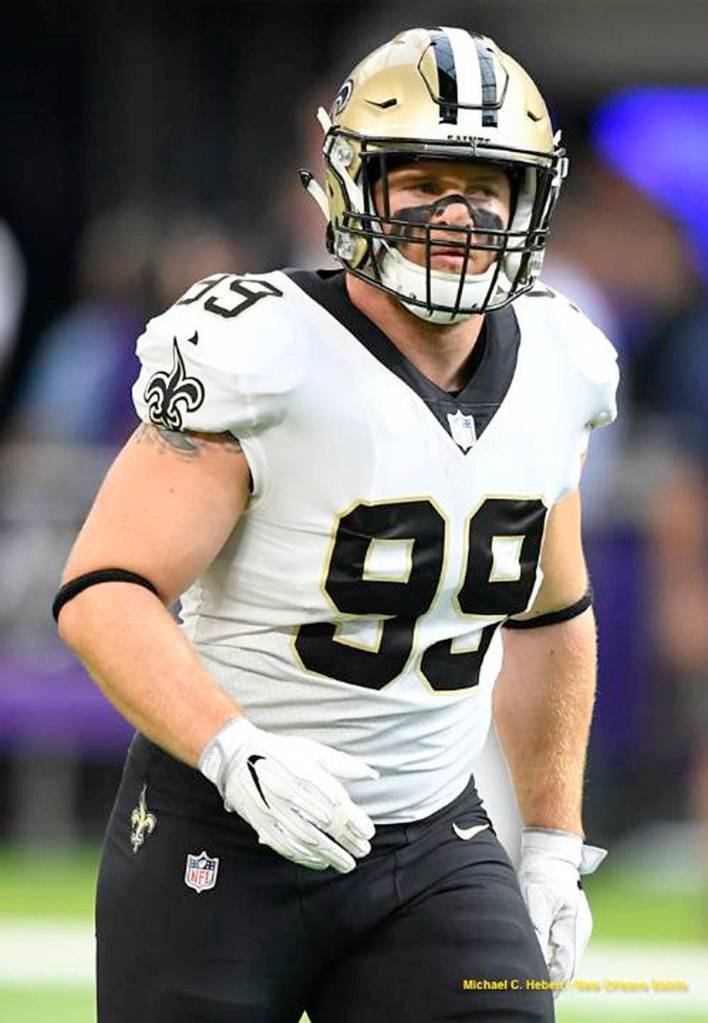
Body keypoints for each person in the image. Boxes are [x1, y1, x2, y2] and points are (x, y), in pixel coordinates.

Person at [54, 27, 618, 1023]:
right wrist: (235, 750)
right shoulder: (262, 350)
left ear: (531, 200)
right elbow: (106, 590)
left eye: (486, 186)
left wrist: (551, 841)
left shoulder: (560, 364)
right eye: (424, 182)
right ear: (354, 187)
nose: (458, 214)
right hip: (222, 830)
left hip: (433, 839)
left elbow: (550, 617)